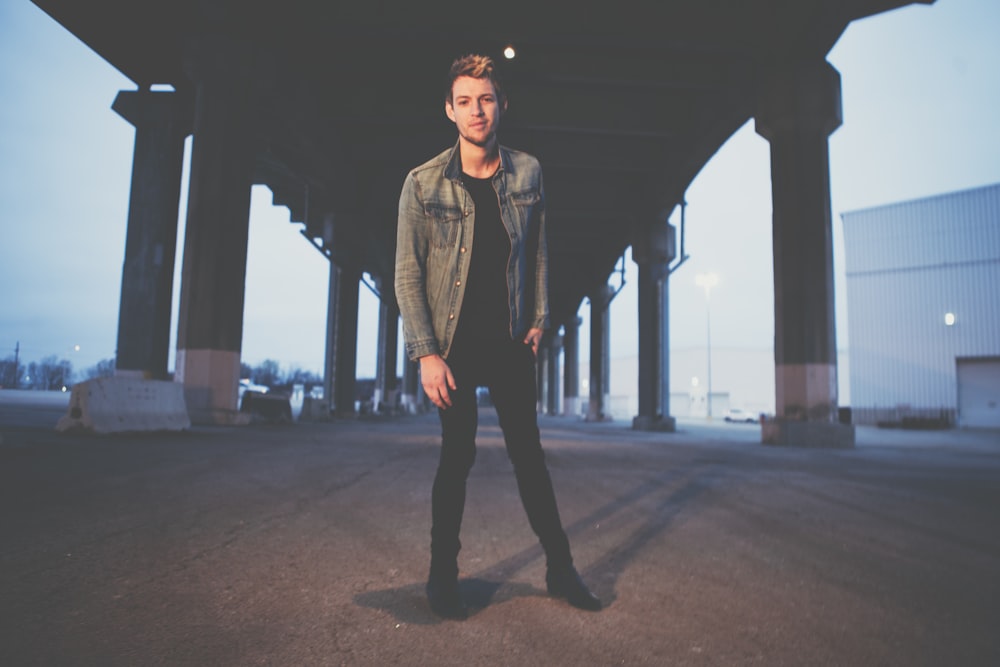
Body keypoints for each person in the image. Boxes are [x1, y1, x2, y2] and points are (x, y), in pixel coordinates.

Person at [395, 53, 601, 620]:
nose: (476, 110)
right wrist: (427, 354)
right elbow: (407, 275)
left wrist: (538, 318)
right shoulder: (422, 183)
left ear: (501, 103)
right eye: (464, 100)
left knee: (529, 460)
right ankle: (443, 578)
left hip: (509, 342)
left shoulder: (528, 173)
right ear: (449, 109)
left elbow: (536, 251)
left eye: (485, 99)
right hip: (453, 345)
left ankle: (561, 569)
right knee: (455, 457)